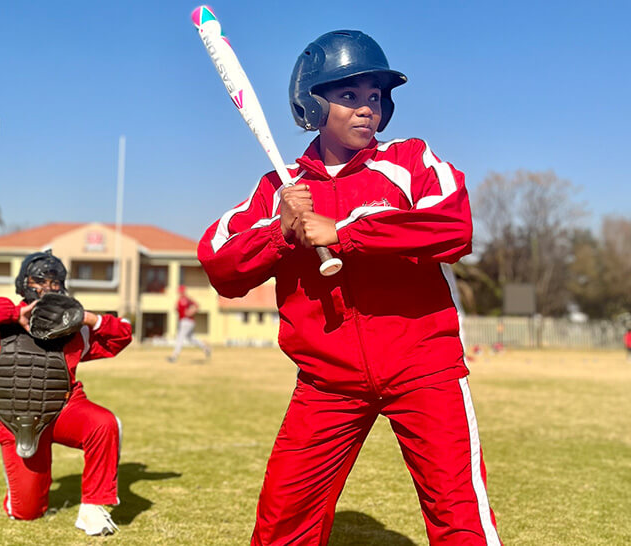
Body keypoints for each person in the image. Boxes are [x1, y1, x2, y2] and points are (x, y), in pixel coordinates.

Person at [198, 31, 501, 545]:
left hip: (423, 368)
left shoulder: (408, 161)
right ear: (312, 105)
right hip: (326, 379)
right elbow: (220, 265)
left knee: (458, 513)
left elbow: (454, 225)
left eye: (375, 98)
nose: (367, 110)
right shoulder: (280, 187)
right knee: (282, 522)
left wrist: (345, 231)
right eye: (349, 97)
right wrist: (281, 233)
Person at [0, 250, 132, 536]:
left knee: (104, 423)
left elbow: (122, 334)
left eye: (54, 282)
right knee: (27, 513)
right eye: (40, 280)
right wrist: (14, 313)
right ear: (24, 282)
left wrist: (85, 317)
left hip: (65, 410)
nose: (47, 287)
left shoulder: (74, 329)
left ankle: (93, 508)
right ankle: (22, 497)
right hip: (19, 421)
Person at [167, 285, 211, 362]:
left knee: (180, 337)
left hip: (187, 321)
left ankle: (174, 356)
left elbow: (196, 306)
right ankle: (205, 347)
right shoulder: (179, 300)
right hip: (183, 321)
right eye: (179, 291)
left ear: (183, 291)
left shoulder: (187, 299)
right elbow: (178, 310)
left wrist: (191, 311)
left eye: (181, 291)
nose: (180, 293)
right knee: (190, 338)